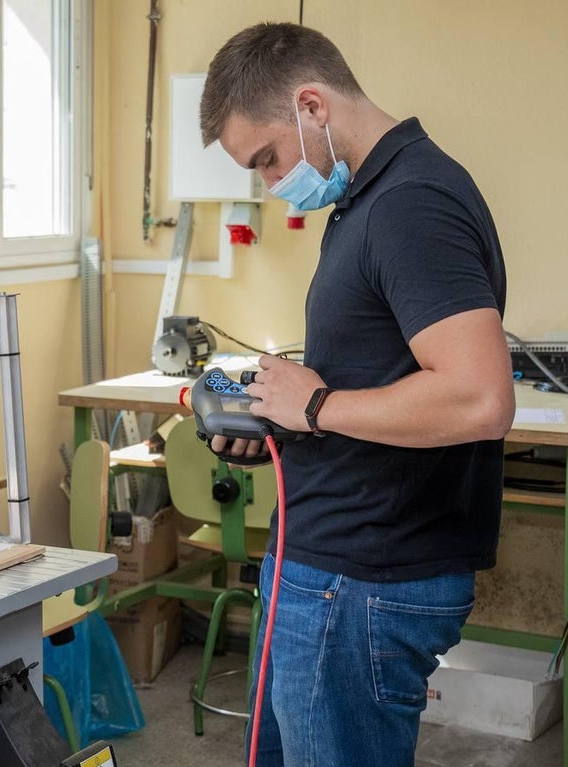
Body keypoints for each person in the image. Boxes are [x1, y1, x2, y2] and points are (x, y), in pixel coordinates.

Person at [197, 22, 514, 767]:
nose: (273, 186)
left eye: (268, 160)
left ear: (312, 104)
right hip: (326, 570)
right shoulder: (367, 199)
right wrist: (280, 421)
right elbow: (378, 382)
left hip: (360, 583)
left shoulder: (412, 202)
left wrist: (314, 406)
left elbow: (478, 398)